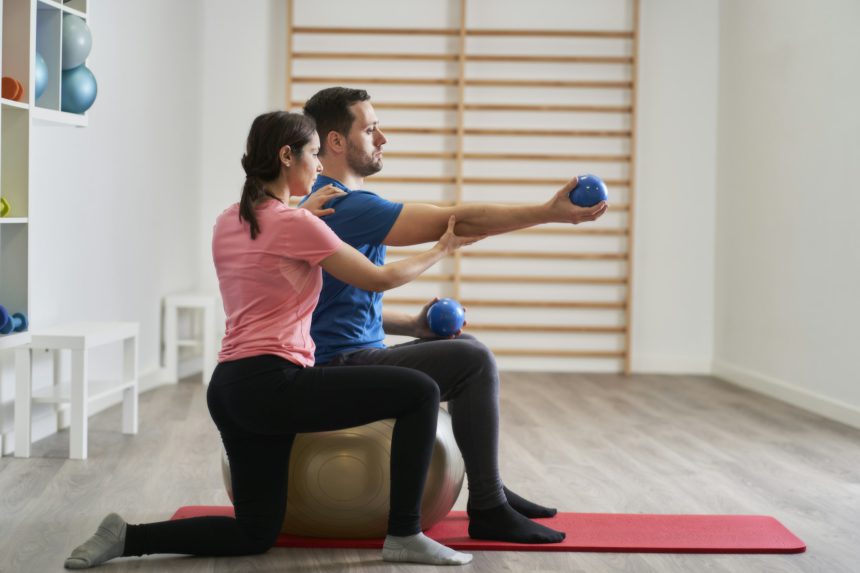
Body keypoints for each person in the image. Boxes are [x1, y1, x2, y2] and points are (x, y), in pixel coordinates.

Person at [63, 111, 481, 569]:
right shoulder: (296, 225)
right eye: (313, 154)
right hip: (274, 382)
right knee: (420, 392)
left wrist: (297, 211)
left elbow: (269, 240)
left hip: (229, 389)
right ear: (287, 156)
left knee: (254, 531)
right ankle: (404, 533)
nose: (320, 166)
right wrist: (441, 248)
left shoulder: (228, 220)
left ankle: (126, 537)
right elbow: (379, 279)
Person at [301, 87, 609, 544]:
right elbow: (456, 221)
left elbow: (332, 305)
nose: (383, 138)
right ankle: (487, 505)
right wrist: (549, 212)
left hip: (352, 355)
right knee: (473, 361)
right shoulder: (344, 207)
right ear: (337, 142)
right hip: (336, 369)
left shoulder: (333, 204)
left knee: (462, 347)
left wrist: (412, 326)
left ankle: (491, 488)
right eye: (369, 129)